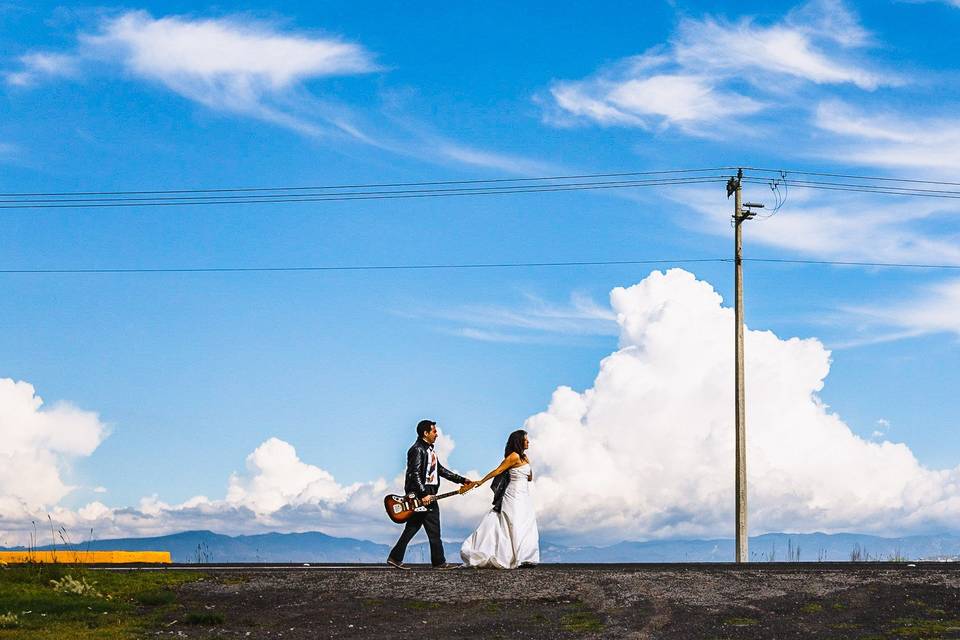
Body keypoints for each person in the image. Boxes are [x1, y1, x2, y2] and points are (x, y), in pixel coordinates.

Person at [387, 419, 476, 569]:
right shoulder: (417, 450)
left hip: (428, 493)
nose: (437, 434)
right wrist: (423, 494)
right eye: (434, 431)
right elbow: (414, 474)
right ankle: (439, 562)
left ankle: (395, 558)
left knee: (413, 528)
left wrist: (461, 480)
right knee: (433, 529)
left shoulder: (429, 450)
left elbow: (439, 470)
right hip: (422, 494)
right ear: (425, 433)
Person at [460, 429, 539, 568]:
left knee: (526, 523)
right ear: (519, 441)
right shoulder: (513, 456)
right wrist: (481, 481)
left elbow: (529, 478)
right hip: (513, 495)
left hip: (524, 495)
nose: (528, 442)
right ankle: (517, 557)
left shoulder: (525, 457)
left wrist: (528, 467)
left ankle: (526, 557)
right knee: (515, 522)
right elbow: (498, 470)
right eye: (526, 439)